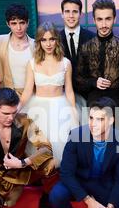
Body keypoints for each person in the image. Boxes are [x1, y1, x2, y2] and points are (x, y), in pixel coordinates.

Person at [49, 97, 119, 208]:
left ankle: (101, 202)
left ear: (111, 120)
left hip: (103, 182)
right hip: (79, 179)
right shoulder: (76, 135)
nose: (93, 124)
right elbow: (66, 173)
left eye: (100, 119)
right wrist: (89, 201)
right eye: (91, 118)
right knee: (56, 195)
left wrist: (110, 207)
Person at [20, 22, 79, 168]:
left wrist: (73, 112)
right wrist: (18, 107)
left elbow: (69, 90)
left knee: (62, 146)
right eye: (44, 40)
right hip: (38, 107)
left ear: (57, 40)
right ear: (39, 42)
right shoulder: (32, 63)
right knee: (39, 146)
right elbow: (28, 90)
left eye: (52, 39)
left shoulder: (66, 63)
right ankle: (44, 181)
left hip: (61, 106)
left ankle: (59, 181)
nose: (48, 44)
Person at [76, 0, 119, 106]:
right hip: (92, 103)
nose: (103, 25)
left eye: (108, 19)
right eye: (99, 19)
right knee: (88, 123)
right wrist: (94, 82)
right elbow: (78, 80)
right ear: (94, 20)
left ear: (114, 19)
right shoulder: (85, 47)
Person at [59, 0, 96, 124]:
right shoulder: (55, 39)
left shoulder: (92, 38)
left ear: (80, 14)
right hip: (63, 97)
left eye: (75, 11)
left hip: (88, 96)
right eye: (67, 11)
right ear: (62, 14)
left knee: (87, 134)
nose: (71, 15)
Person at [0, 4, 35, 95]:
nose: (18, 28)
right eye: (14, 23)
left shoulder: (36, 45)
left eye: (22, 23)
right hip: (7, 96)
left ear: (28, 22)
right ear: (7, 24)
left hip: (31, 94)